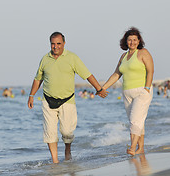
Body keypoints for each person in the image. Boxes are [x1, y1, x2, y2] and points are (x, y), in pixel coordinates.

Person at [27, 32, 108, 163]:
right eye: (53, 44)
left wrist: (98, 88)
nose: (55, 47)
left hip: (67, 100)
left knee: (67, 131)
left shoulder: (72, 58)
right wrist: (31, 95)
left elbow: (87, 74)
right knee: (50, 133)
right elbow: (38, 79)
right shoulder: (45, 59)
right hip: (48, 100)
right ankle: (55, 161)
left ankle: (67, 149)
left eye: (58, 43)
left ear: (64, 44)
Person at [98, 27, 154, 156]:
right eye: (130, 40)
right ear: (126, 41)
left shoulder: (143, 53)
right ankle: (141, 148)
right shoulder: (123, 56)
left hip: (142, 91)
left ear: (139, 41)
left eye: (135, 40)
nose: (132, 42)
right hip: (127, 93)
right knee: (138, 121)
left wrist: (147, 88)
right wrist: (103, 88)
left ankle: (133, 148)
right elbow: (116, 74)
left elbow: (151, 71)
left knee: (135, 120)